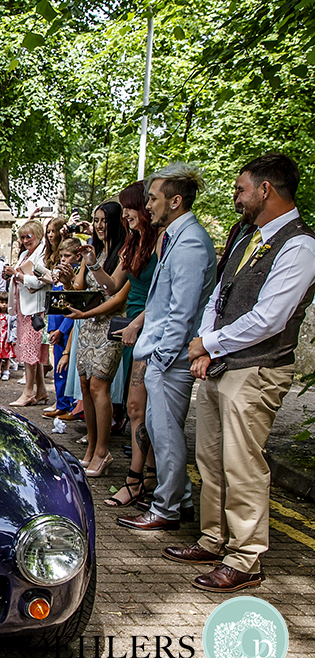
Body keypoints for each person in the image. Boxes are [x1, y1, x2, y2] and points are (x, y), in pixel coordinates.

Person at [165, 154, 315, 591]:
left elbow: (270, 318)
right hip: (222, 365)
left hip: (258, 370)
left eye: (240, 189)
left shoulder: (300, 245)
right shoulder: (250, 236)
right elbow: (221, 295)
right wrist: (205, 346)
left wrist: (208, 343)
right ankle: (213, 538)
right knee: (210, 459)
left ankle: (246, 558)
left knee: (243, 464)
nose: (237, 197)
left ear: (265, 189)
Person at [116, 163, 217, 532]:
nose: (149, 204)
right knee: (161, 431)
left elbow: (183, 309)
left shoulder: (190, 241)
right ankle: (182, 500)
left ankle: (165, 509)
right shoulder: (176, 236)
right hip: (162, 352)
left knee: (166, 434)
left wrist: (161, 355)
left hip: (169, 356)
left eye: (154, 198)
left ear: (175, 201)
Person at [83, 181, 160, 507]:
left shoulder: (160, 243)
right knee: (134, 408)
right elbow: (113, 284)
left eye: (131, 207)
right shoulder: (136, 244)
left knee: (142, 409)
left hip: (144, 327)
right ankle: (143, 479)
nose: (126, 213)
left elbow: (152, 295)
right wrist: (93, 262)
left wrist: (138, 321)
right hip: (132, 330)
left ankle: (144, 480)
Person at [62, 202, 127, 477]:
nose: (100, 226)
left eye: (104, 221)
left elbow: (115, 294)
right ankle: (90, 448)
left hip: (110, 324)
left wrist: (86, 311)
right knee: (86, 385)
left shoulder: (125, 252)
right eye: (96, 221)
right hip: (86, 324)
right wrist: (66, 282)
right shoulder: (93, 248)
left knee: (100, 385)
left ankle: (103, 450)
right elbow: (79, 288)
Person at [2, 220, 49, 406]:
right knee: (29, 349)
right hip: (23, 306)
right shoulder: (23, 253)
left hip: (36, 309)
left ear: (38, 235)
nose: (24, 240)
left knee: (31, 350)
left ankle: (29, 392)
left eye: (28, 236)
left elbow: (40, 281)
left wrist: (18, 274)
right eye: (22, 237)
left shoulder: (43, 254)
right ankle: (42, 390)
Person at [44, 238, 81, 420]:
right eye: (62, 256)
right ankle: (61, 403)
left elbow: (73, 307)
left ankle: (72, 405)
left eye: (68, 256)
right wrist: (52, 329)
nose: (64, 260)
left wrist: (61, 330)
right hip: (56, 327)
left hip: (68, 328)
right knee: (58, 368)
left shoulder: (77, 277)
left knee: (68, 367)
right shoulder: (57, 276)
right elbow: (54, 305)